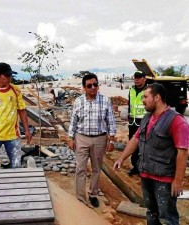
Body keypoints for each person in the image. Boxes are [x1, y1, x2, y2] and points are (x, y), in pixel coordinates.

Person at [113, 83, 189, 225]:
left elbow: (182, 153)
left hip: (164, 180)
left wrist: (178, 181)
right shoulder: (147, 117)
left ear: (157, 97)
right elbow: (135, 139)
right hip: (146, 175)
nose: (142, 100)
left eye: (146, 97)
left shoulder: (176, 121)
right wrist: (122, 158)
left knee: (167, 219)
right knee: (151, 213)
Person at [67, 73, 116, 208]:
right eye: (89, 85)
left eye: (95, 84)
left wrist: (111, 140)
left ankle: (93, 194)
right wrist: (70, 138)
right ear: (84, 88)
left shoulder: (105, 101)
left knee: (96, 168)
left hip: (100, 139)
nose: (93, 87)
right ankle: (81, 198)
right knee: (80, 168)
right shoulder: (78, 102)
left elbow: (111, 121)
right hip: (81, 138)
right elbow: (73, 121)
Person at [127, 70, 147, 176]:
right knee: (133, 145)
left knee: (143, 147)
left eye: (139, 78)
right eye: (135, 78)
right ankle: (135, 167)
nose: (137, 80)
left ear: (144, 78)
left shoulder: (148, 90)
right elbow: (130, 103)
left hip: (144, 123)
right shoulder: (132, 89)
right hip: (133, 123)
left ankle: (143, 168)